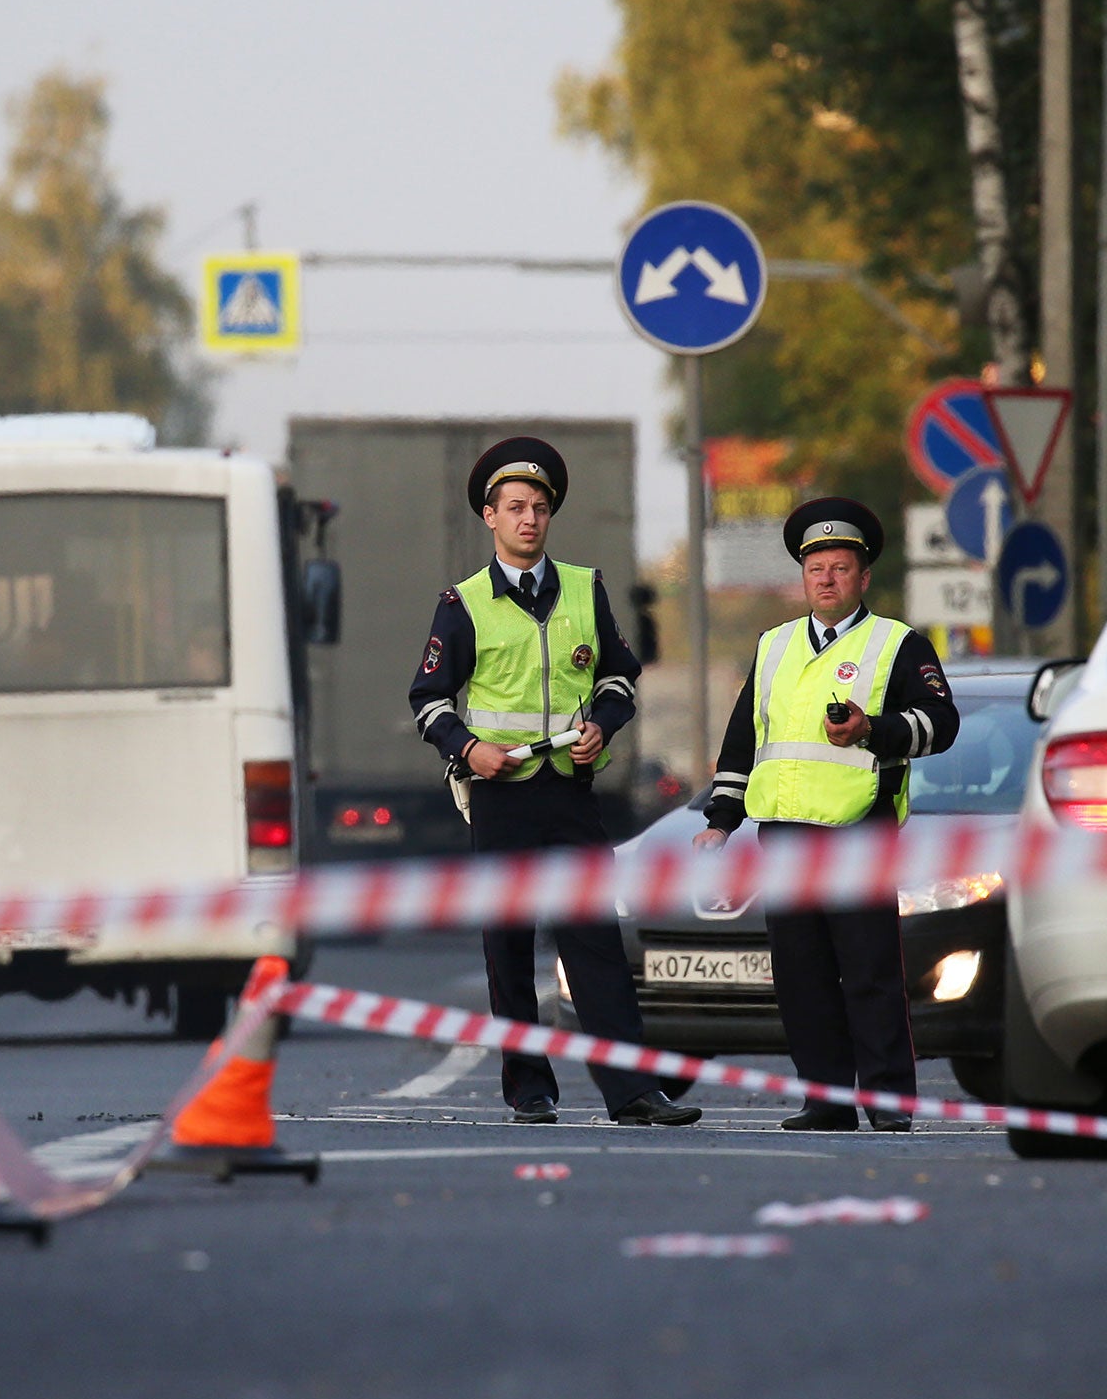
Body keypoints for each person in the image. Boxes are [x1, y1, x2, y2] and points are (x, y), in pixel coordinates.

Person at [409, 436, 700, 1127]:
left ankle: (631, 1092)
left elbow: (620, 679)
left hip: (569, 790)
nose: (529, 519)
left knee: (594, 941)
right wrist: (470, 748)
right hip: (500, 793)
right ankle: (529, 1088)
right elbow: (427, 700)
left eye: (540, 507)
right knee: (509, 944)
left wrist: (604, 723)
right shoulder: (464, 602)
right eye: (515, 507)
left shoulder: (584, 588)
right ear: (490, 516)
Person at [693, 497, 960, 1132]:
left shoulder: (897, 644)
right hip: (784, 835)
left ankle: (889, 1100)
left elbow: (941, 724)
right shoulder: (773, 647)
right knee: (803, 978)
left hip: (858, 833)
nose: (827, 578)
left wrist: (875, 728)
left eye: (840, 567)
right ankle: (826, 1100)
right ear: (802, 576)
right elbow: (743, 742)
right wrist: (720, 820)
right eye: (816, 568)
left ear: (863, 577)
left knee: (871, 974)